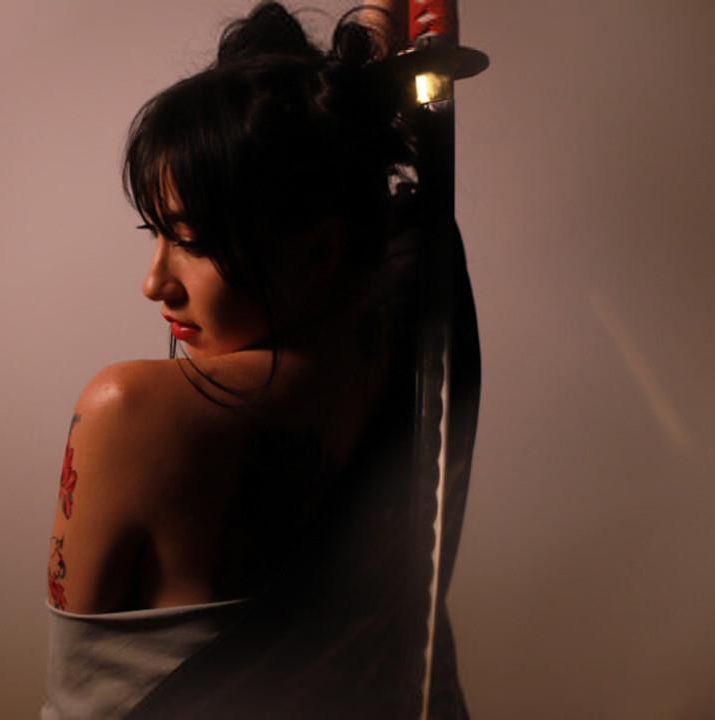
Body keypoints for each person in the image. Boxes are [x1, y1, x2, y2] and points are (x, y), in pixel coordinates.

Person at [41, 2, 480, 717]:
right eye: (155, 234)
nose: (155, 283)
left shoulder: (125, 414)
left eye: (193, 241)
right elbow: (356, 136)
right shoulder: (420, 307)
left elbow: (76, 705)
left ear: (317, 249)